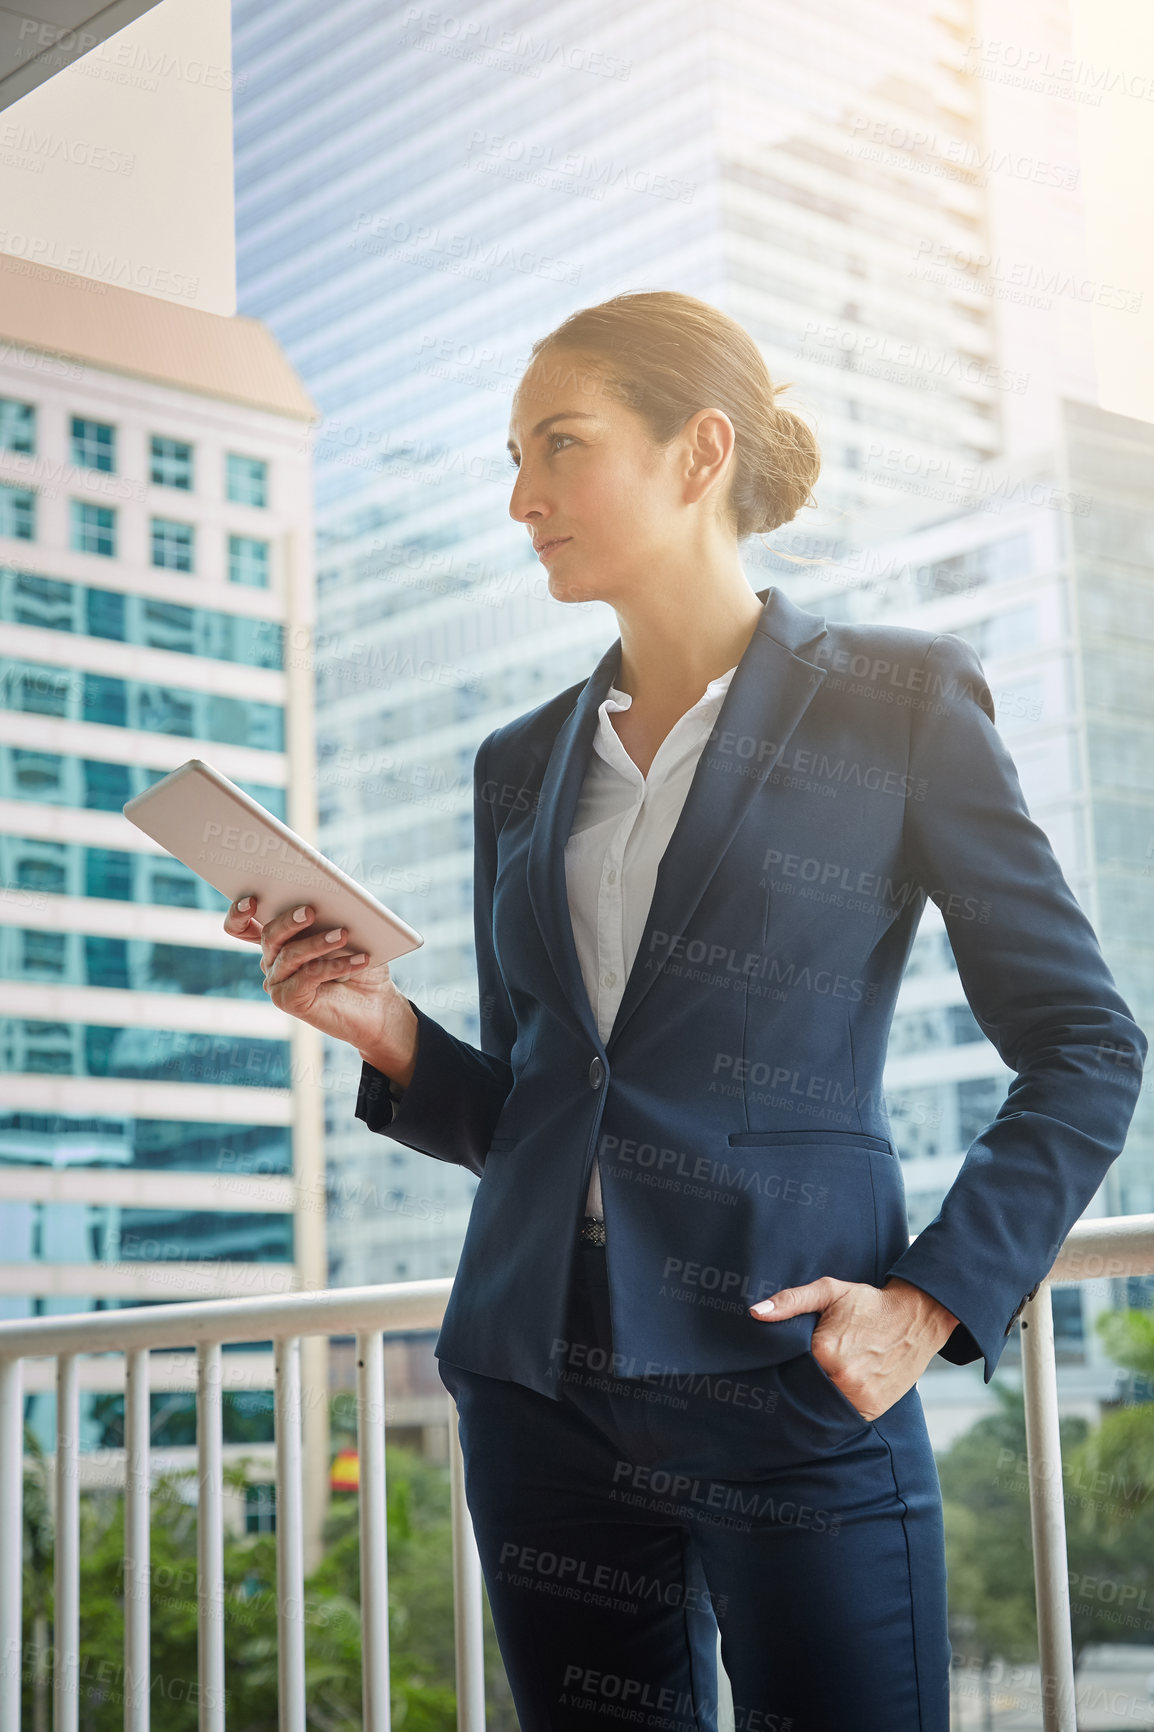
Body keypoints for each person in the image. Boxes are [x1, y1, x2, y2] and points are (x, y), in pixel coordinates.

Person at [223, 291, 1147, 1731]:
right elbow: (553, 1101)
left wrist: (927, 1305)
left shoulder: (894, 704)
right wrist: (383, 1030)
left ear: (697, 451)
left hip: (787, 1373)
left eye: (558, 446)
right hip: (537, 1388)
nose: (521, 498)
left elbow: (1086, 1044)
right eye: (509, 459)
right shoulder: (517, 764)